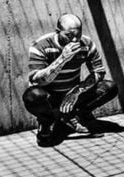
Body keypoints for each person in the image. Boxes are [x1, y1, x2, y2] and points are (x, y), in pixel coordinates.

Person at [23, 14, 118, 146]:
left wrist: (76, 91)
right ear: (58, 31)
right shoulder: (41, 46)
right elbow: (37, 80)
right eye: (68, 35)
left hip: (72, 93)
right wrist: (62, 59)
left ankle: (78, 114)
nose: (74, 40)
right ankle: (47, 122)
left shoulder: (86, 43)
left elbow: (99, 71)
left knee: (109, 87)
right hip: (50, 95)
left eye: (78, 35)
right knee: (33, 96)